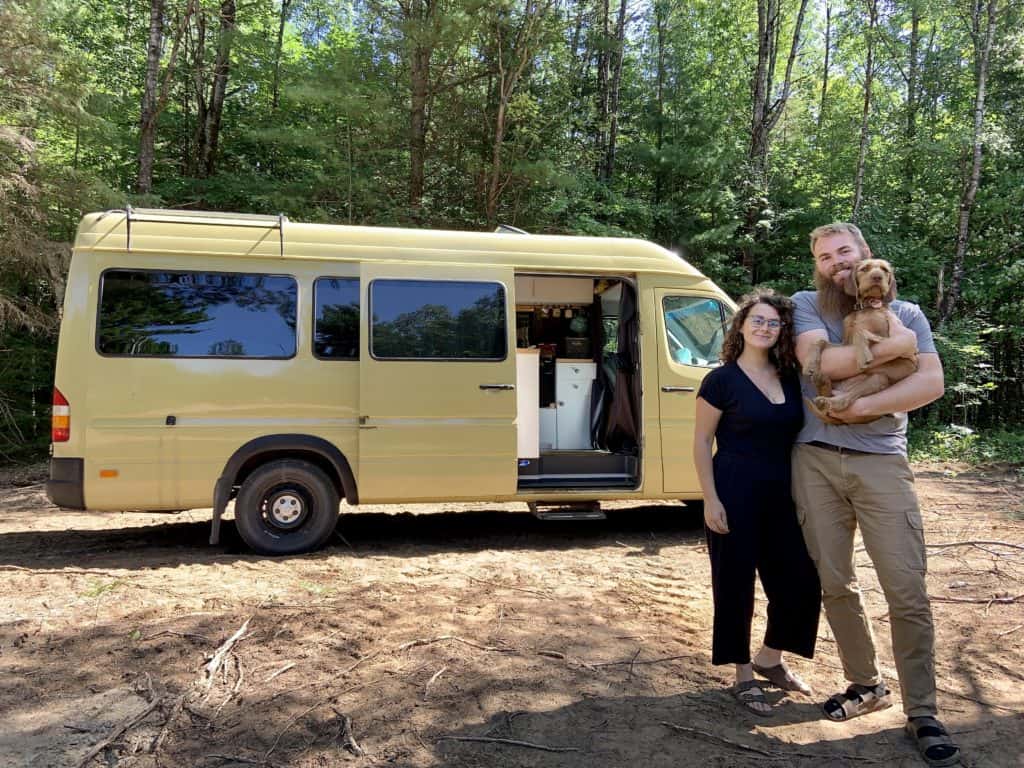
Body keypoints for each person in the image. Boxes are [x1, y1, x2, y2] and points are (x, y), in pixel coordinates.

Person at [791, 222, 959, 767]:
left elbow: (929, 383)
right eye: (825, 257)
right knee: (836, 583)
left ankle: (924, 711)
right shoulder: (807, 305)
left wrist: (858, 407)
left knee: (905, 588)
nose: (836, 263)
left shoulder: (909, 314)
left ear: (867, 256)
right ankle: (865, 684)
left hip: (882, 461)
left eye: (846, 252)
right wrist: (894, 353)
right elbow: (820, 362)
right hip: (814, 460)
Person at [693, 288, 821, 716]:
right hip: (733, 489)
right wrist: (710, 499)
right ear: (742, 325)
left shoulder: (790, 376)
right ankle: (743, 674)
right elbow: (701, 441)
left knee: (801, 581)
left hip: (784, 494)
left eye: (773, 322)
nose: (765, 327)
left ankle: (771, 658)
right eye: (758, 320)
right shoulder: (720, 380)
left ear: (782, 330)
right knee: (735, 586)